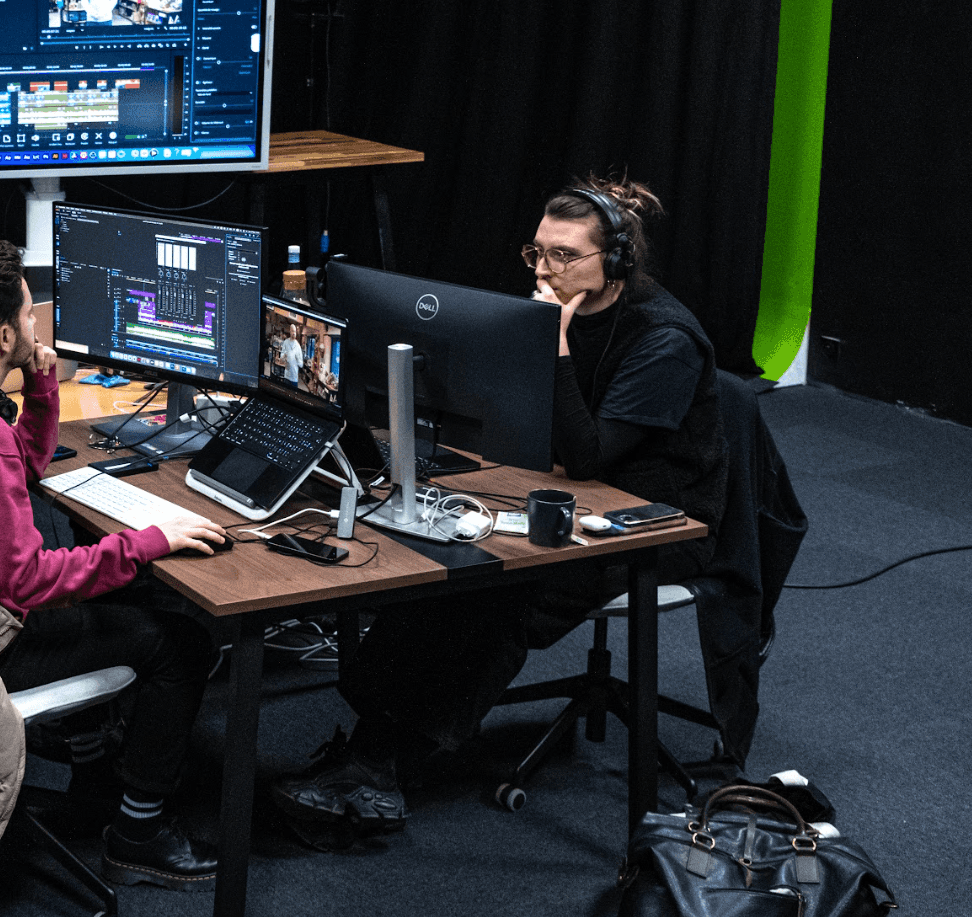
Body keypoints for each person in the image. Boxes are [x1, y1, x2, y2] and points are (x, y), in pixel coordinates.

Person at [271, 175, 724, 843]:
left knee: (495, 588)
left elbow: (592, 456)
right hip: (565, 488)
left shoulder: (664, 340)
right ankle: (374, 745)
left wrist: (553, 345)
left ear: (617, 261)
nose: (543, 270)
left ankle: (383, 766)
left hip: (652, 521)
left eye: (564, 256)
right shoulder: (557, 309)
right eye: (537, 252)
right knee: (438, 560)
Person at [0, 241, 230, 892]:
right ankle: (137, 835)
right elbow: (30, 581)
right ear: (4, 335)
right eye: (30, 313)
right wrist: (149, 540)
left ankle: (92, 789)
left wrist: (40, 387)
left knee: (117, 599)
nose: (38, 323)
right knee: (181, 641)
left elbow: (17, 467)